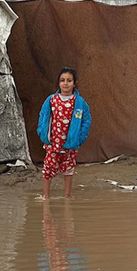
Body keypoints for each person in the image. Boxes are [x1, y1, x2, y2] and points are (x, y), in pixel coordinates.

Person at [37, 67, 92, 199]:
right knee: (48, 169)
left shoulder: (79, 102)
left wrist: (80, 138)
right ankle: (45, 197)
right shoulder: (51, 100)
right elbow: (43, 117)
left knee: (68, 170)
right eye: (62, 80)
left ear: (74, 83)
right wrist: (42, 133)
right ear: (58, 83)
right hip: (53, 143)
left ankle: (67, 197)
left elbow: (86, 120)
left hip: (70, 143)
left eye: (69, 80)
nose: (65, 83)